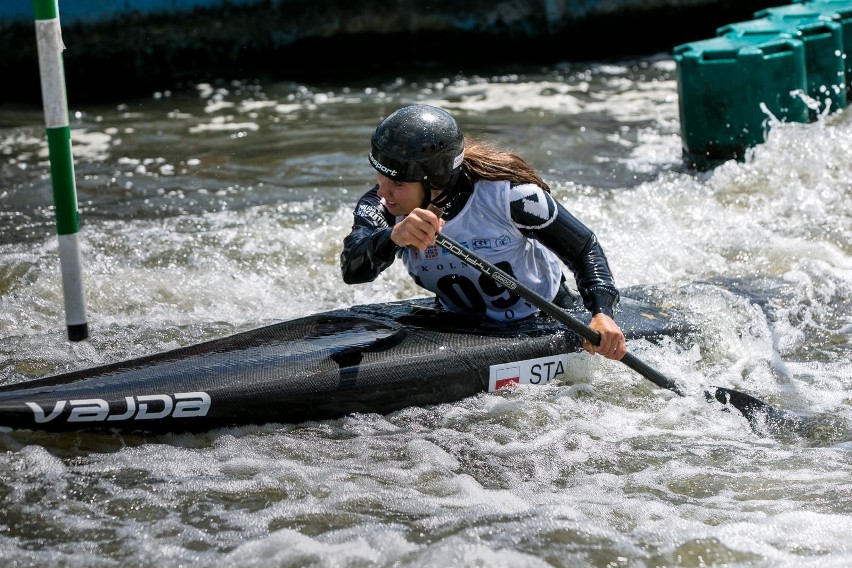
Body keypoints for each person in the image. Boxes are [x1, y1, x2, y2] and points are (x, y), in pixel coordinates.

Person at [340, 104, 626, 360]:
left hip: (543, 315)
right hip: (459, 324)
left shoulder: (511, 197)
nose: (384, 191)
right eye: (380, 176)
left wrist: (602, 313)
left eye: (398, 184)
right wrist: (391, 238)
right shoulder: (382, 205)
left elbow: (584, 248)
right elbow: (353, 270)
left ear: (436, 180)